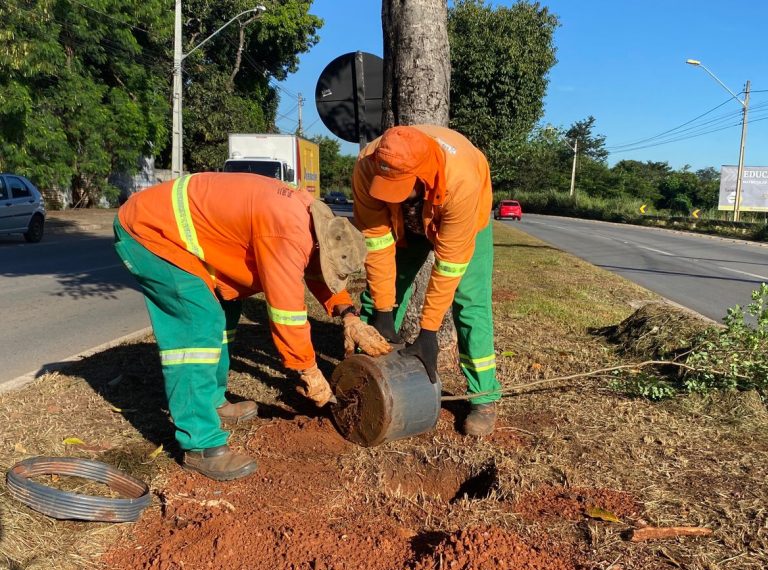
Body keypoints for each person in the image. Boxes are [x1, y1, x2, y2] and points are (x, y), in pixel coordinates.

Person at [114, 173, 391, 481]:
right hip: (152, 232)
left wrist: (349, 314)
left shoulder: (317, 220)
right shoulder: (287, 233)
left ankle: (212, 402)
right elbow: (287, 314)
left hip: (192, 234)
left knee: (226, 312)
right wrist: (308, 370)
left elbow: (315, 268)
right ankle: (200, 445)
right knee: (199, 324)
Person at [352, 125, 503, 436]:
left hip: (462, 217)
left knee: (470, 303)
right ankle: (363, 374)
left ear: (422, 175)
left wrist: (429, 331)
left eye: (400, 186)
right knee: (379, 295)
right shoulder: (368, 166)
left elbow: (448, 266)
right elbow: (376, 243)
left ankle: (483, 398)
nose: (391, 190)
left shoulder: (462, 180)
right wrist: (382, 311)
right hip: (407, 221)